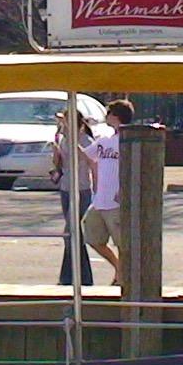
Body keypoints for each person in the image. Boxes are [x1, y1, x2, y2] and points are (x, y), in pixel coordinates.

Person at [80, 98, 136, 287]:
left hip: (116, 201)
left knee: (122, 243)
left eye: (109, 113)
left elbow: (133, 169)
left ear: (116, 116)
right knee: (92, 236)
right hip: (99, 200)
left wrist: (124, 190)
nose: (106, 116)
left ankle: (124, 278)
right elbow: (85, 155)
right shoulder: (104, 141)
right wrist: (72, 134)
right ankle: (119, 268)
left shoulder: (128, 142)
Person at [51, 107, 95, 286]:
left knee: (71, 232)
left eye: (66, 121)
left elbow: (88, 159)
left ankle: (74, 276)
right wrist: (56, 152)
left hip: (81, 189)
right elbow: (59, 163)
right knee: (74, 234)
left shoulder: (86, 140)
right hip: (66, 187)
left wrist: (73, 139)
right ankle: (75, 276)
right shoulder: (63, 139)